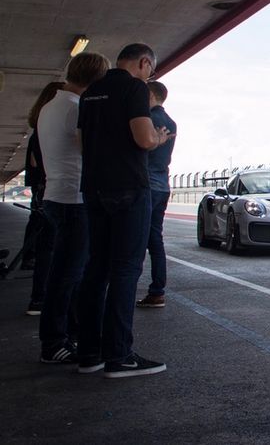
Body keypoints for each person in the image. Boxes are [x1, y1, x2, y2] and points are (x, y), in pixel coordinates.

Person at [75, 43, 173, 378]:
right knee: (126, 269)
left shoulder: (91, 91)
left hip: (93, 187)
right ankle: (119, 355)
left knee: (96, 267)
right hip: (129, 187)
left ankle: (88, 352)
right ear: (145, 63)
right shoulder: (134, 88)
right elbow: (143, 139)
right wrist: (158, 139)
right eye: (151, 69)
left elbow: (80, 141)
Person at [36, 52, 109, 364]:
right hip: (73, 199)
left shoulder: (51, 105)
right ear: (95, 80)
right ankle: (53, 342)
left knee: (67, 272)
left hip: (56, 195)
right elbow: (92, 150)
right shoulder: (74, 108)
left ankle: (70, 333)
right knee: (68, 275)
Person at [22, 81, 63, 315]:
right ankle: (50, 300)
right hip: (56, 190)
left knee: (46, 246)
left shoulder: (38, 127)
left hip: (42, 191)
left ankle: (38, 298)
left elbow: (33, 163)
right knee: (61, 247)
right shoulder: (52, 126)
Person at [137, 81, 176, 309]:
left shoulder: (147, 119)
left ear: (150, 95)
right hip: (162, 184)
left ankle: (124, 289)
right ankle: (157, 291)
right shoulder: (171, 122)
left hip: (146, 184)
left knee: (135, 239)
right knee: (155, 239)